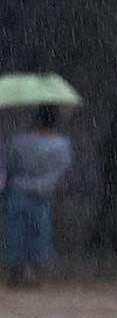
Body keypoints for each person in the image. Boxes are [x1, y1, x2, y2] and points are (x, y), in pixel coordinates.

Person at [2, 105, 73, 288]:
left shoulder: (19, 141)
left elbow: (10, 164)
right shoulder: (62, 145)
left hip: (18, 191)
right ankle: (34, 272)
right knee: (39, 233)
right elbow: (63, 170)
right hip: (43, 193)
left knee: (17, 232)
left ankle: (17, 271)